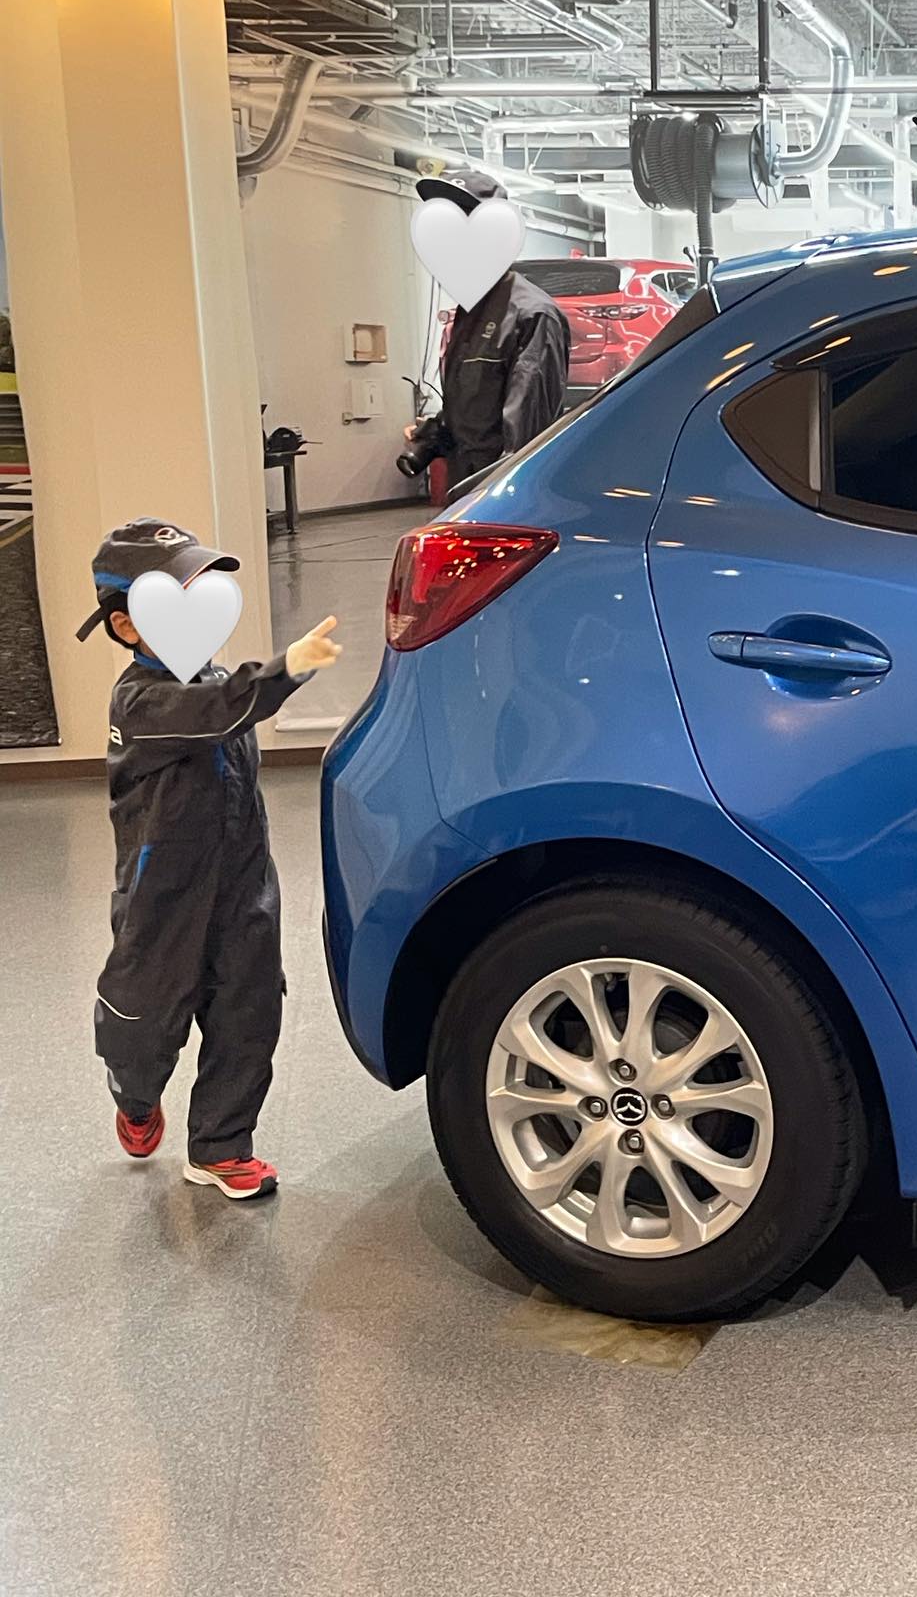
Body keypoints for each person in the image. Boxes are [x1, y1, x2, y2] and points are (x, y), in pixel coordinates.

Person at [74, 517, 341, 1199]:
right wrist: (285, 669)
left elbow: (225, 704)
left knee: (249, 1011)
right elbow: (217, 710)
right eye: (174, 597)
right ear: (126, 625)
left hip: (242, 883)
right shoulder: (142, 702)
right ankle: (134, 1093)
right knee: (145, 1019)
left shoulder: (215, 680)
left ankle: (221, 1146)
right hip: (163, 895)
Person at [405, 169, 570, 490]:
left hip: (500, 495)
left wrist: (500, 501)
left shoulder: (532, 315)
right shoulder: (468, 314)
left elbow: (526, 438)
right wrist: (436, 432)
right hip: (465, 489)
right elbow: (473, 412)